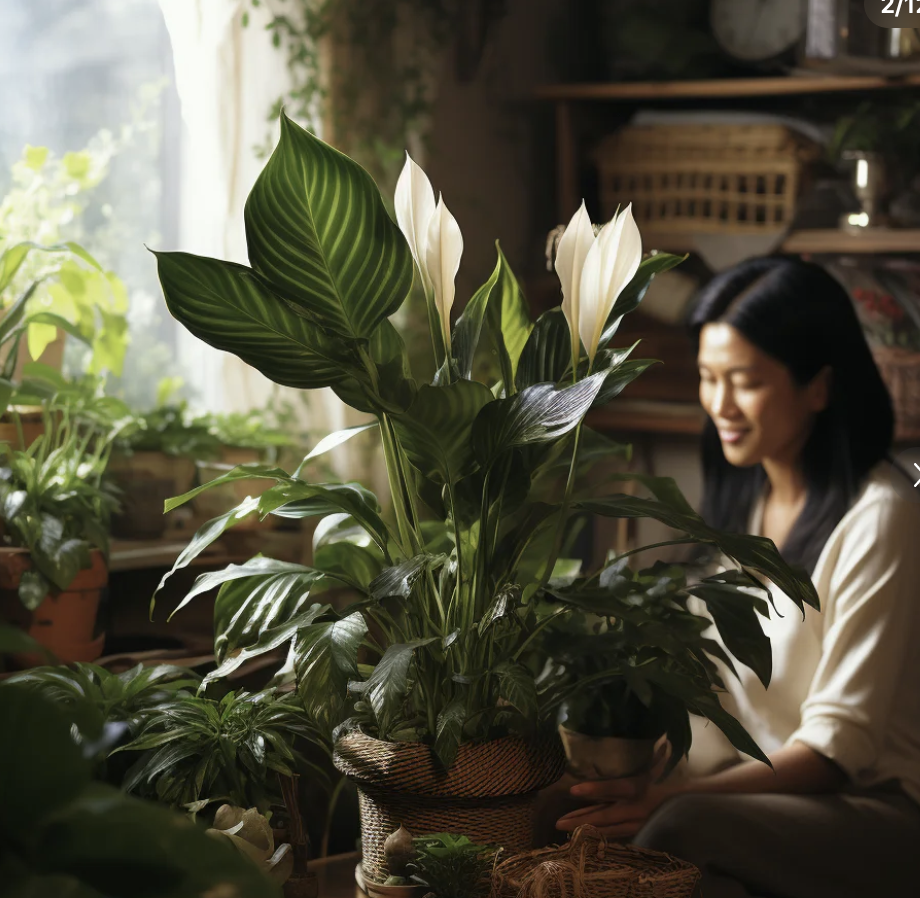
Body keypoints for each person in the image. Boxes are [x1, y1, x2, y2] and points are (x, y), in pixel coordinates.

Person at [556, 257, 920, 897]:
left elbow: (840, 749)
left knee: (681, 825)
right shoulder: (745, 498)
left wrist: (677, 795)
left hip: (875, 809)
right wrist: (637, 776)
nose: (719, 404)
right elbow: (716, 693)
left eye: (744, 381)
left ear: (820, 386)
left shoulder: (882, 516)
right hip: (765, 798)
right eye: (707, 377)